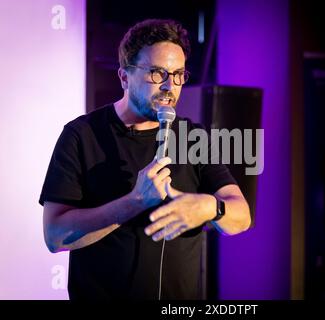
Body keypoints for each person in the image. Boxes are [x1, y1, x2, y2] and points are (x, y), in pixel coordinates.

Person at [39, 19, 251, 300]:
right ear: (124, 77)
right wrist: (134, 202)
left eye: (178, 75)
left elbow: (242, 216)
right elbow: (55, 236)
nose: (170, 86)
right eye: (156, 73)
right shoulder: (81, 135)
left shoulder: (193, 137)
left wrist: (210, 207)